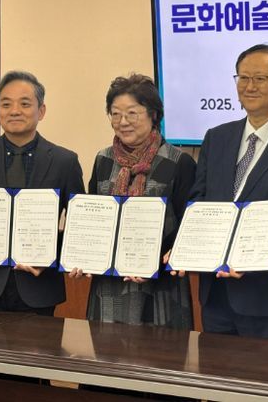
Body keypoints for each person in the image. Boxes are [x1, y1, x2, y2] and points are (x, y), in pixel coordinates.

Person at [179, 43, 268, 342]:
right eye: (243, 78)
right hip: (217, 294)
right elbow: (198, 202)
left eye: (260, 78)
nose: (249, 87)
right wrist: (190, 246)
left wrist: (251, 258)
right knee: (217, 371)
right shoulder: (216, 138)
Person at [0, 70, 85, 315]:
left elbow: (78, 224)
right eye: (6, 104)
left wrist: (50, 256)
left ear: (41, 111)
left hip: (39, 288)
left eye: (24, 104)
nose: (14, 111)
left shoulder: (65, 161)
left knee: (39, 343)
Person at [70, 74, 195, 329]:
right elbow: (93, 220)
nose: (123, 122)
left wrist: (160, 260)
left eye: (132, 113)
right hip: (109, 286)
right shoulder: (103, 160)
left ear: (153, 114)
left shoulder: (178, 162)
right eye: (115, 114)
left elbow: (189, 228)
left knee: (162, 351)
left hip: (161, 289)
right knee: (106, 351)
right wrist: (82, 256)